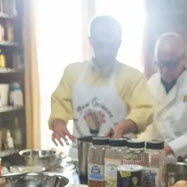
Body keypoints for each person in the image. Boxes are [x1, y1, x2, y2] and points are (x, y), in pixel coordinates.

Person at [49, 16, 153, 145]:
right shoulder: (73, 72)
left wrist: (124, 127)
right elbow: (59, 102)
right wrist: (58, 123)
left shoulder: (132, 77)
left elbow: (144, 110)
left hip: (120, 156)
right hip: (81, 155)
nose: (106, 51)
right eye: (100, 45)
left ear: (119, 43)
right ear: (91, 41)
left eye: (111, 45)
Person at [142, 33, 187, 157]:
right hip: (157, 158)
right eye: (160, 63)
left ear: (183, 59)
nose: (164, 70)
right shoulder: (152, 83)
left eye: (170, 64)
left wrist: (168, 149)